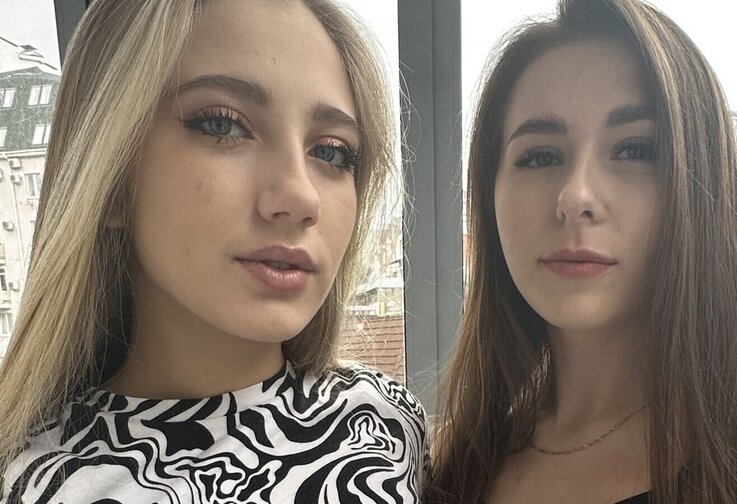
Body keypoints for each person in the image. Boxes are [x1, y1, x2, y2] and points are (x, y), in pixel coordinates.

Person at [428, 0, 737, 503]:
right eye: (540, 156)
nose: (576, 196)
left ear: (702, 190)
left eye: (636, 149)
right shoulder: (455, 464)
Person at [0, 1, 426, 502]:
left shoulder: (387, 422)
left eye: (332, 152)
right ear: (110, 176)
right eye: (223, 125)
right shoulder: (28, 481)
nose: (301, 196)